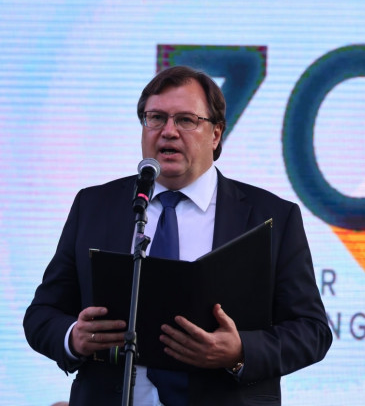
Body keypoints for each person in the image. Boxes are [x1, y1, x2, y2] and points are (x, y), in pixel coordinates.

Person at [24, 66, 332, 405]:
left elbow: (312, 330)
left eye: (186, 120)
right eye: (156, 118)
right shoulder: (95, 206)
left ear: (215, 135)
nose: (168, 132)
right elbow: (42, 314)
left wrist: (240, 350)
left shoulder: (272, 216)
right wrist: (73, 338)